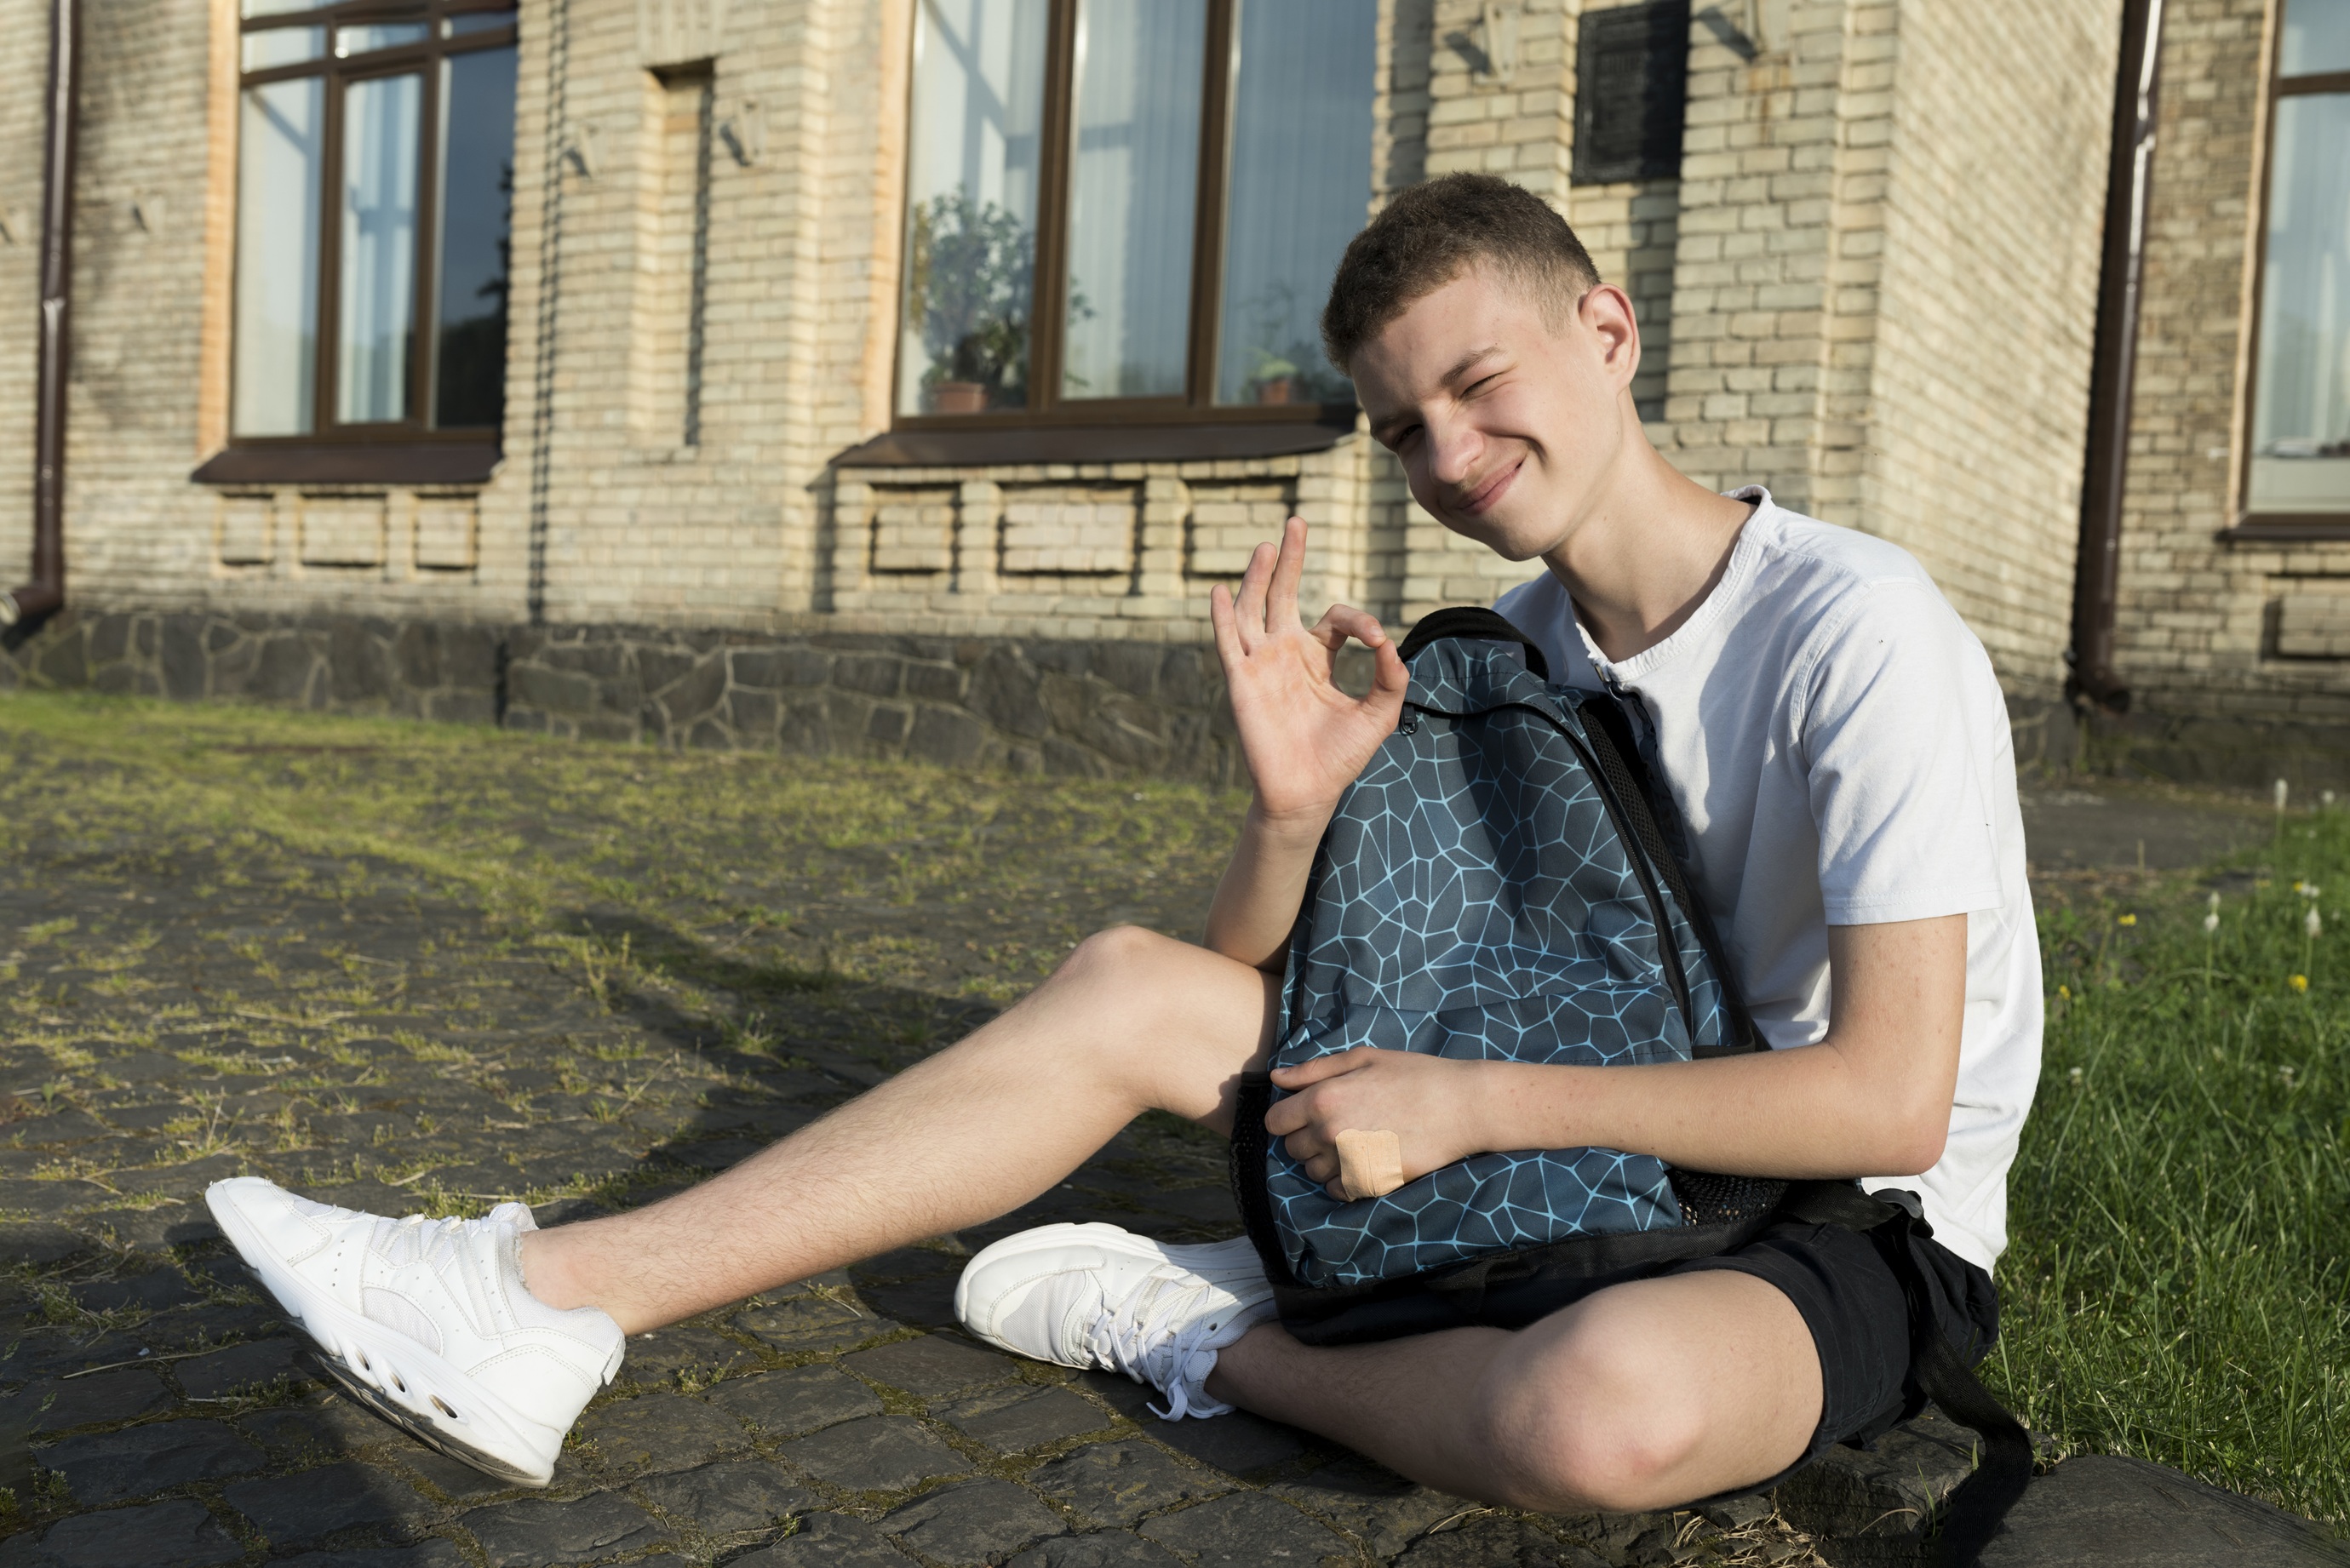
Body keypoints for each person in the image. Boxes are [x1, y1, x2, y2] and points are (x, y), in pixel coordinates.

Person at [207, 172, 2038, 1510]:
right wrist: (1295, 809)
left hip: (1850, 1217)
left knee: (1599, 1424)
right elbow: (1247, 983)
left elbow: (1887, 1100)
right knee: (1126, 987)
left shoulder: (1853, 632)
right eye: (1405, 428)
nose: (1455, 451)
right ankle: (539, 1302)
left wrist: (1478, 1109)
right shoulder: (1518, 659)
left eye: (1483, 384)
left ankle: (1206, 1336)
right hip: (1590, 1114)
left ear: (1607, 328)